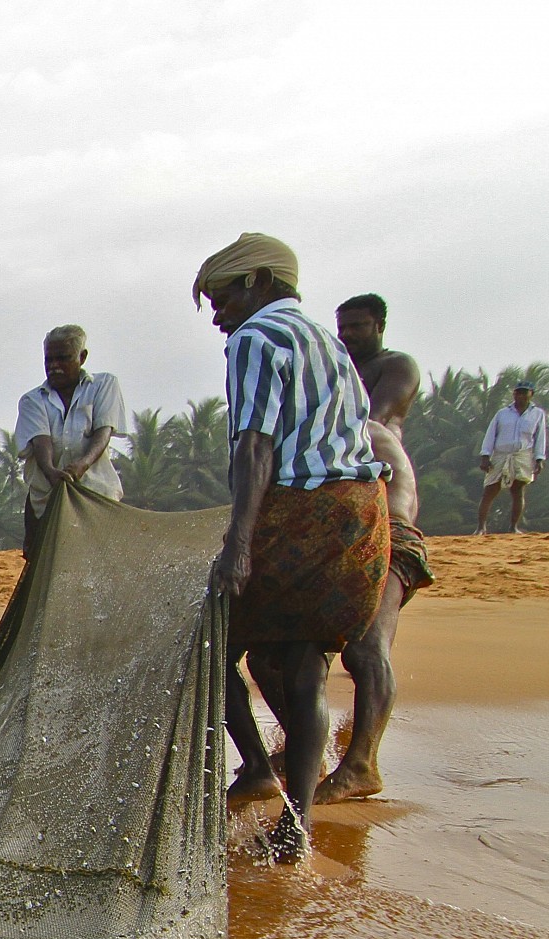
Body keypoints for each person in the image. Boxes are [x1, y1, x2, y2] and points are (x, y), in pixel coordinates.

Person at [192, 232, 391, 851]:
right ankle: (296, 824)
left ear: (257, 282)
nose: (219, 317)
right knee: (307, 667)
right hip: (359, 515)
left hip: (300, 513)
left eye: (222, 297)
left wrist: (239, 545)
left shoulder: (256, 338)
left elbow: (255, 442)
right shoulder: (323, 338)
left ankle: (254, 768)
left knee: (212, 647)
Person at [310, 291, 432, 802]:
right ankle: (307, 749)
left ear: (379, 325)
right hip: (339, 522)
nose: (349, 336)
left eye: (358, 327)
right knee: (299, 651)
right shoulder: (338, 371)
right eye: (343, 327)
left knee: (366, 650)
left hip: (387, 522)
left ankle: (362, 764)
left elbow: (373, 416)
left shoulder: (392, 373)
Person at [13, 325, 131, 563]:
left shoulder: (103, 385)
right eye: (49, 359)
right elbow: (40, 441)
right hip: (46, 499)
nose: (54, 366)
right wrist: (51, 471)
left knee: (99, 561)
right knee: (48, 564)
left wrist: (82, 465)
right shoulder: (32, 399)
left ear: (82, 357)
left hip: (96, 493)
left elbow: (103, 431)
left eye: (63, 358)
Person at [476, 380, 547, 533]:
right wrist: (485, 455)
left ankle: (513, 527)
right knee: (490, 490)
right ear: (514, 394)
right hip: (501, 455)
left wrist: (539, 459)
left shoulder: (537, 414)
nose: (520, 395)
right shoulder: (502, 413)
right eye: (518, 392)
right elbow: (490, 435)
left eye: (524, 392)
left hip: (523, 455)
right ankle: (481, 527)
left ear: (531, 394)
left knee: (518, 491)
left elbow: (540, 437)